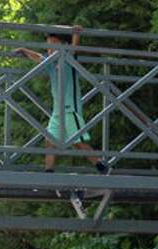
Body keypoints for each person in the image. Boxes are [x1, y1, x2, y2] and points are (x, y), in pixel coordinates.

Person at [19, 26, 106, 171]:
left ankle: (101, 166)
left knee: (78, 142)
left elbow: (73, 48)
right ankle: (48, 174)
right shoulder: (51, 64)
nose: (50, 49)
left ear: (63, 46)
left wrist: (76, 34)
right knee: (50, 141)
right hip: (57, 112)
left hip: (70, 109)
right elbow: (39, 58)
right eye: (48, 47)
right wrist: (24, 51)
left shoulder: (68, 60)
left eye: (53, 45)